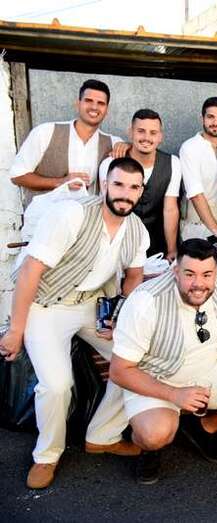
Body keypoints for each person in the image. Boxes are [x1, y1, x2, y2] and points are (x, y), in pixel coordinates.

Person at [0, 157, 150, 489]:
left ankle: (103, 434)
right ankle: (46, 456)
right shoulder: (72, 214)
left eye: (133, 187)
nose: (125, 193)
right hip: (46, 305)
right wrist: (16, 330)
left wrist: (117, 314)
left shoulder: (137, 230)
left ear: (141, 191)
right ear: (105, 185)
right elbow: (30, 272)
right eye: (119, 184)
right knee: (56, 385)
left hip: (91, 306)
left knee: (140, 363)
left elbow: (135, 277)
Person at [109, 239, 217, 484]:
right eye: (189, 274)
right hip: (157, 378)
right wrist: (174, 394)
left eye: (207, 274)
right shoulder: (146, 301)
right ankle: (149, 450)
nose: (199, 284)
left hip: (208, 368)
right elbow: (120, 371)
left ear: (215, 273)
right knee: (155, 435)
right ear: (175, 271)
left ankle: (204, 427)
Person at [10, 79, 121, 205]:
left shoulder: (113, 143)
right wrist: (61, 182)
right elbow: (17, 175)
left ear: (107, 110)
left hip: (87, 221)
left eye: (100, 103)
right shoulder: (46, 132)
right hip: (45, 218)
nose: (94, 107)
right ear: (78, 104)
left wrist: (127, 146)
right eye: (88, 101)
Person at [98, 109, 181, 260]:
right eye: (141, 131)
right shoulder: (111, 163)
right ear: (131, 132)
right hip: (119, 242)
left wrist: (172, 249)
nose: (146, 138)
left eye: (153, 133)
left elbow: (170, 209)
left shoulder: (173, 163)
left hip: (157, 245)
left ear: (160, 136)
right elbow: (105, 207)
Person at [179, 97, 217, 241]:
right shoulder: (190, 147)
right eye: (210, 117)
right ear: (202, 118)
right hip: (195, 227)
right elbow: (196, 194)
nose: (215, 122)